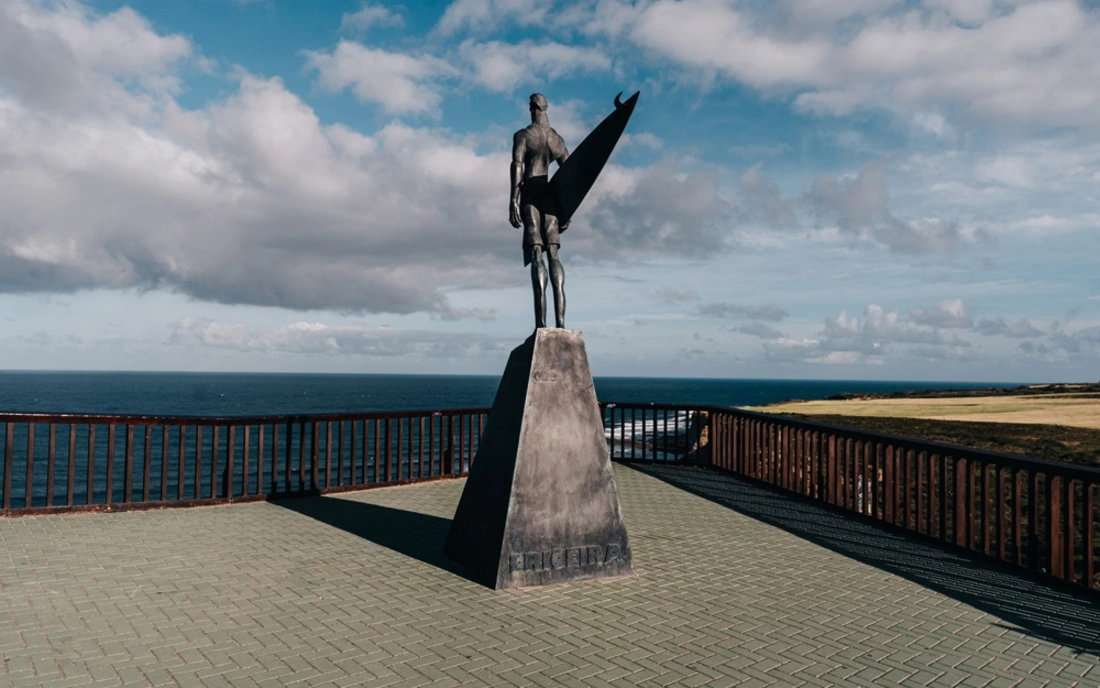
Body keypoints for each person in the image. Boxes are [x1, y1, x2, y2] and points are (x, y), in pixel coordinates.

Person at [509, 93, 569, 329]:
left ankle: (541, 325)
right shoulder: (557, 139)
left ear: (532, 108)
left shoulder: (524, 135)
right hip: (552, 199)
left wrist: (513, 199)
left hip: (532, 194)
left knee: (537, 254)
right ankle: (561, 323)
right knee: (554, 254)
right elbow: (570, 174)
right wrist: (567, 208)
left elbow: (517, 165)